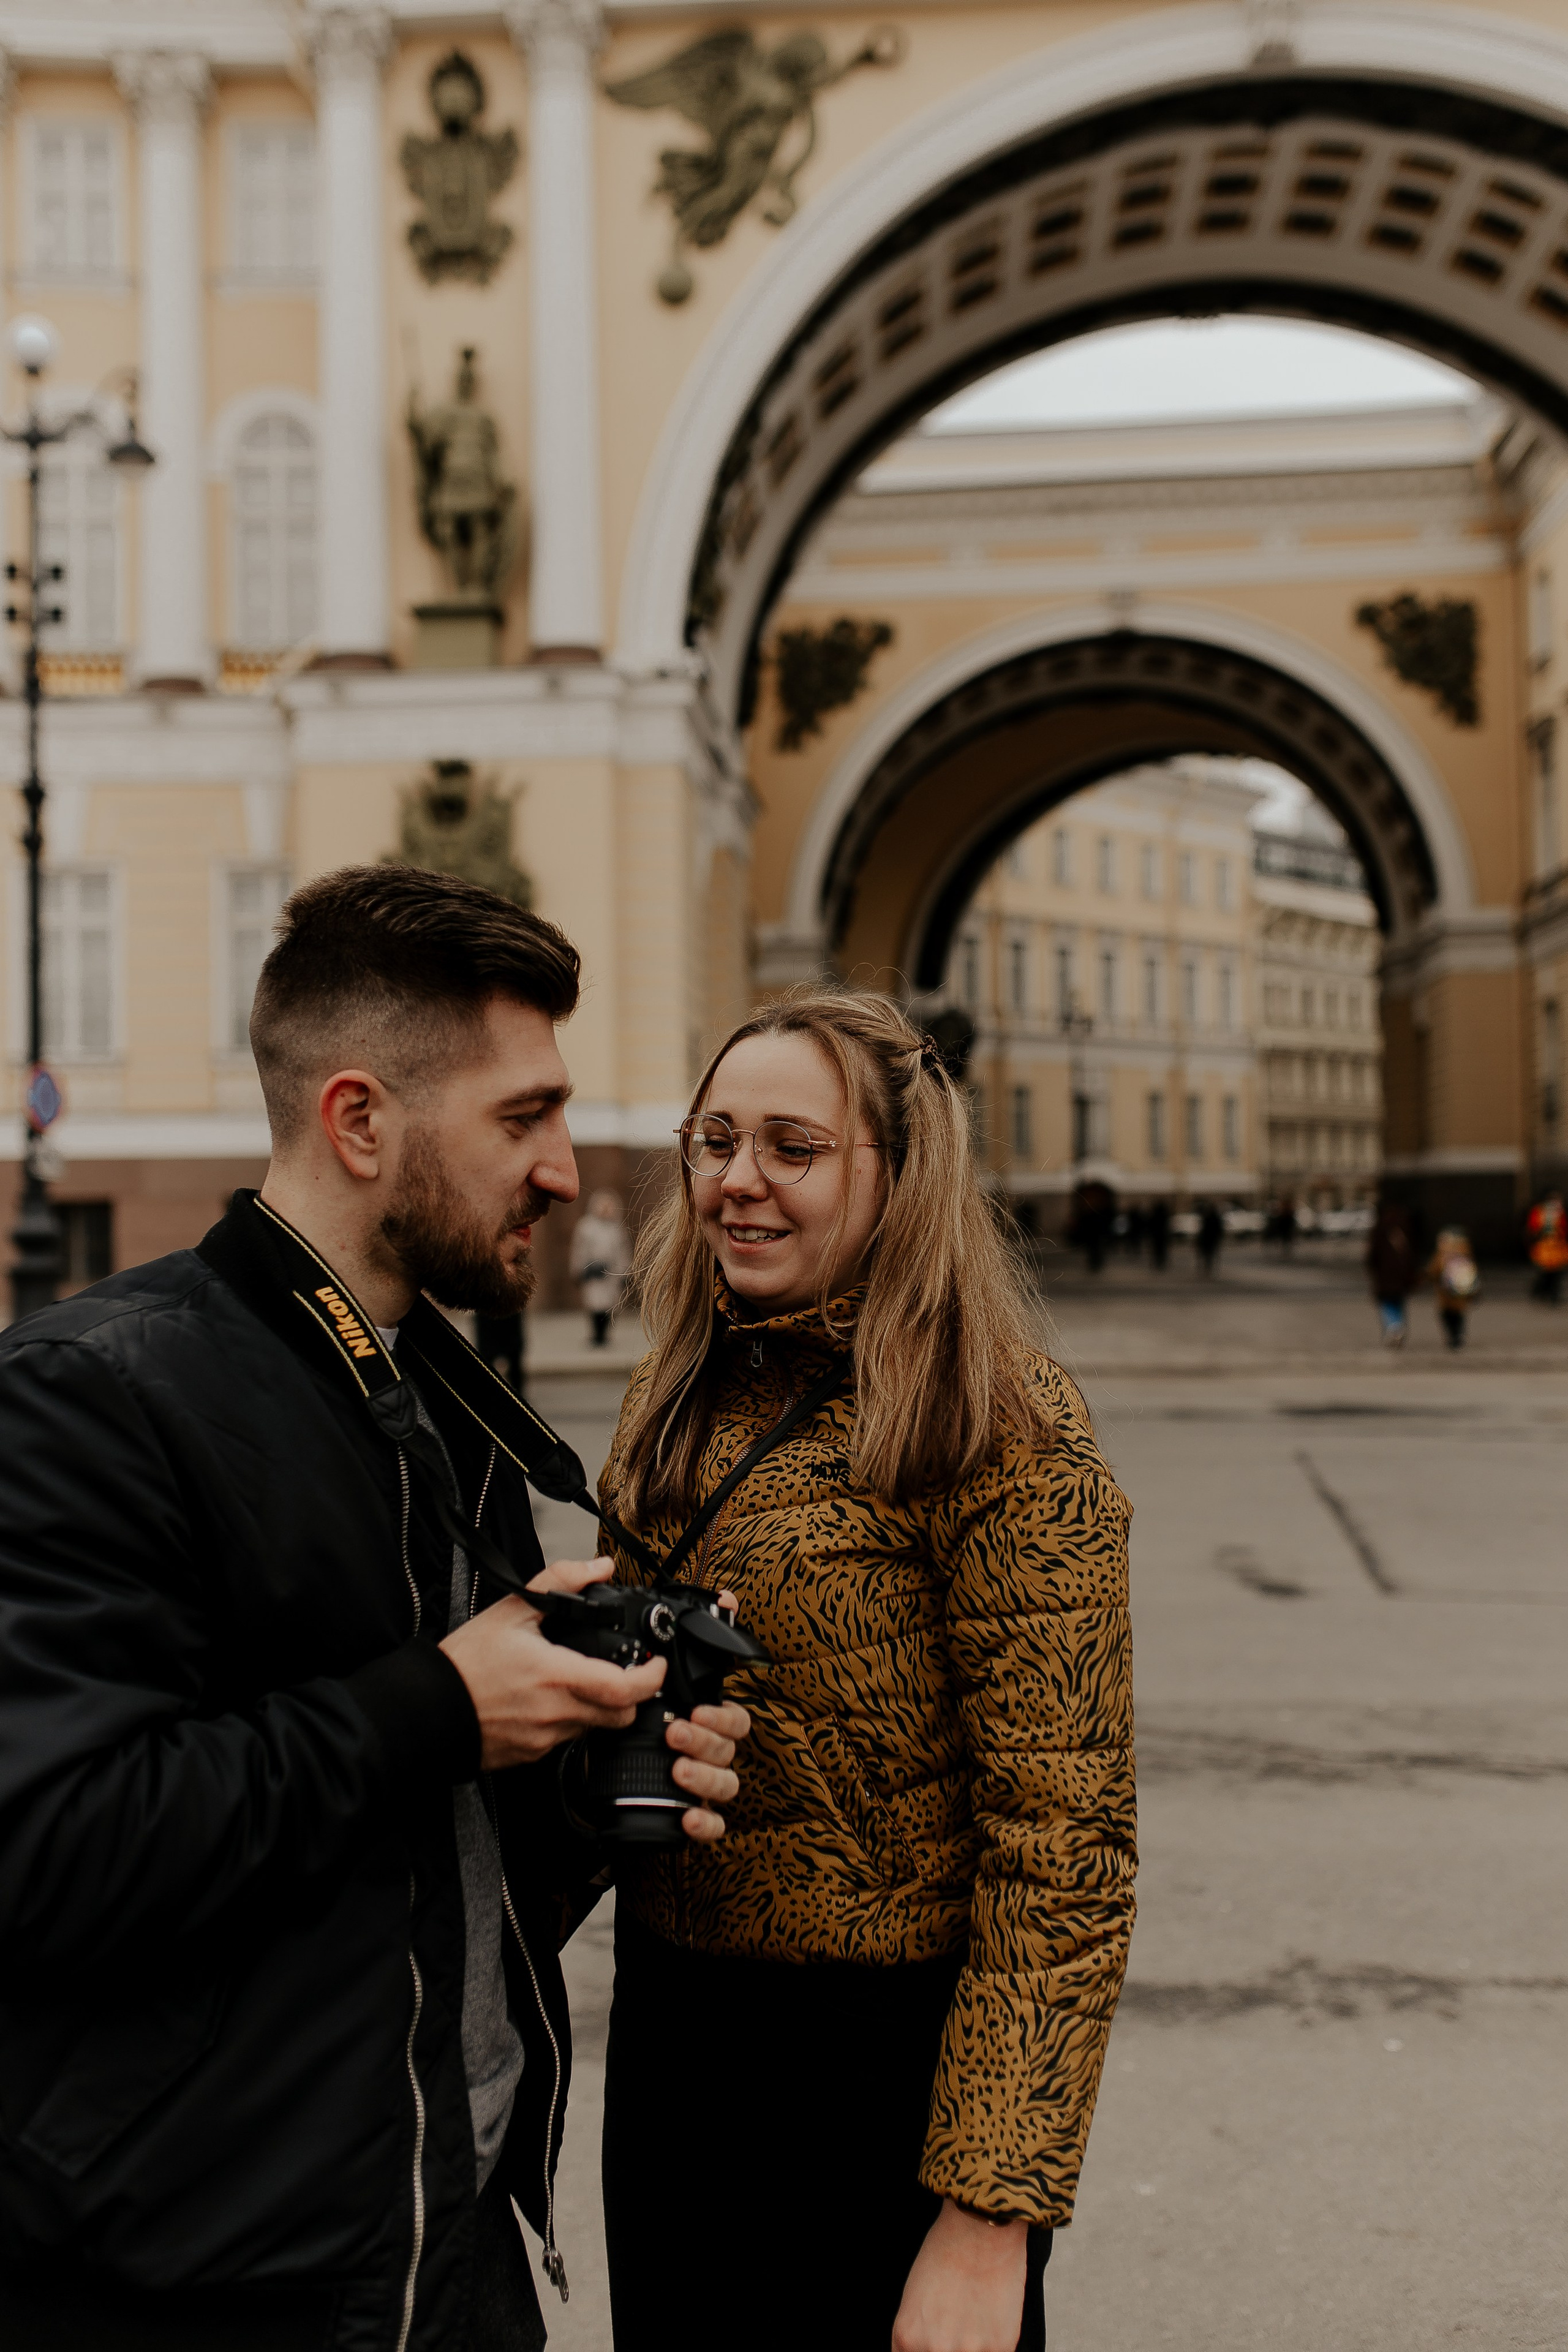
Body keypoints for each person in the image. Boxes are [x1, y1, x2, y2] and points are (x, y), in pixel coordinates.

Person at [0, 866, 747, 2352]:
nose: (561, 1169)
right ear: (360, 1120)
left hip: (446, 2233)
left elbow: (406, 1851)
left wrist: (579, 1768)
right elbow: (49, 1847)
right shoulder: (92, 1394)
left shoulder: (427, 1396)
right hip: (204, 2281)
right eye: (521, 1117)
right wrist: (440, 1706)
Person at [595, 990, 1137, 2352]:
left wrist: (986, 2214)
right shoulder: (677, 1392)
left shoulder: (1001, 1420)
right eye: (714, 1139)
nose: (736, 1181)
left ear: (896, 1177)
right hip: (674, 2051)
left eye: (792, 1146)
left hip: (881, 2072)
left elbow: (1064, 1849)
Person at [569, 1186, 632, 1346]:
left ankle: (605, 1333)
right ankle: (596, 1333)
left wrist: (626, 1272)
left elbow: (623, 1252)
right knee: (594, 1303)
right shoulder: (586, 1227)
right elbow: (579, 1250)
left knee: (609, 1305)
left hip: (611, 1273)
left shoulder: (617, 1230)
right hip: (593, 1272)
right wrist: (578, 1269)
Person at [1366, 1199, 1417, 1346]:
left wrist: (1373, 1269)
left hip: (1385, 1275)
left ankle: (1393, 1326)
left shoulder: (1380, 1230)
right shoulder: (1406, 1228)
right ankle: (1398, 1325)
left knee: (1387, 1303)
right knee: (1398, 1302)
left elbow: (1373, 1255)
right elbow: (1413, 1254)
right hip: (1401, 1275)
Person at [1428, 1225, 1479, 1348]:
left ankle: (1453, 1335)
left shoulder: (1443, 1253)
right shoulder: (1465, 1251)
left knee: (1447, 1316)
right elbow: (1472, 1270)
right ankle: (1458, 1334)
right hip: (1460, 1292)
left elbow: (1434, 1270)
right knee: (1459, 1316)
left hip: (1445, 1294)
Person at [1525, 1191, 1567, 1304]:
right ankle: (1542, 1290)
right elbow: (1533, 1228)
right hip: (1544, 1245)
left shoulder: (1559, 1212)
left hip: (1557, 1246)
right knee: (1546, 1272)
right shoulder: (1539, 1211)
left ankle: (1550, 1292)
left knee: (1556, 1272)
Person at [1196, 1199, 1225, 1275]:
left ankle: (1208, 1268)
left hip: (1208, 1239)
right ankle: (1209, 1268)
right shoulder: (1215, 1218)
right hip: (1212, 1239)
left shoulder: (1207, 1217)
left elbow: (1203, 1229)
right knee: (1211, 1254)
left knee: (1208, 1254)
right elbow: (1219, 1229)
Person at [1147, 1193, 1171, 1270]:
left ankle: (1158, 1262)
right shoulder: (1164, 1215)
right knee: (1162, 1250)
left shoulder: (1155, 1216)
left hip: (1157, 1235)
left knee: (1157, 1250)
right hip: (1162, 1235)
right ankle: (1161, 1262)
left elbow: (1151, 1224)